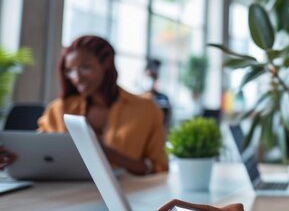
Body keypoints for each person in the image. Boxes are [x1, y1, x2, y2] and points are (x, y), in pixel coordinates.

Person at [1, 35, 168, 175]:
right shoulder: (58, 109)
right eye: (70, 70)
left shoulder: (146, 109)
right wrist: (15, 157)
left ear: (106, 64)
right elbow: (41, 156)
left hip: (128, 196)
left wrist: (106, 152)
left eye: (85, 67)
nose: (76, 77)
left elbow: (159, 168)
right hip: (66, 196)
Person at [142, 58, 172, 127]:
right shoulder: (137, 98)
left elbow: (167, 122)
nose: (152, 79)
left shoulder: (163, 98)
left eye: (155, 76)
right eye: (151, 75)